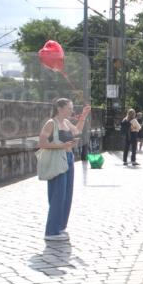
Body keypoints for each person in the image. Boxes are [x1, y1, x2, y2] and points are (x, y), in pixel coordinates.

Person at [39, 98, 91, 241]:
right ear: (60, 108)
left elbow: (77, 131)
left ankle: (60, 227)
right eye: (69, 108)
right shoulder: (51, 123)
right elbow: (42, 143)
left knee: (67, 194)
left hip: (69, 158)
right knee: (58, 195)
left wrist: (84, 116)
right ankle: (51, 231)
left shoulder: (66, 122)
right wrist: (61, 145)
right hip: (57, 159)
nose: (71, 110)